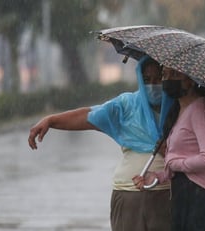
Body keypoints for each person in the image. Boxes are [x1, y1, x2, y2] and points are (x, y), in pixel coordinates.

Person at [28, 56, 174, 231]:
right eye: (147, 80)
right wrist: (51, 120)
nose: (153, 85)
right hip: (127, 195)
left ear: (168, 78)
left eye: (159, 78)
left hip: (167, 195)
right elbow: (89, 116)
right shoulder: (126, 105)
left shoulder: (179, 106)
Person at [133, 68, 205, 231]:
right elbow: (180, 158)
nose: (167, 79)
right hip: (185, 199)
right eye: (165, 74)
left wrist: (176, 164)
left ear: (191, 80)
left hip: (204, 201)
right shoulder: (179, 111)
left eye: (175, 75)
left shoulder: (200, 109)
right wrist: (157, 177)